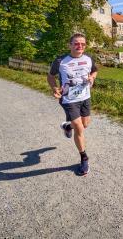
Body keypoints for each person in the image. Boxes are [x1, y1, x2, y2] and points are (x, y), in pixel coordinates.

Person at [47, 33, 98, 177]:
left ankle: (67, 126)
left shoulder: (88, 59)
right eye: (76, 43)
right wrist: (54, 88)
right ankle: (84, 158)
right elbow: (50, 77)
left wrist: (92, 78)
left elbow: (94, 71)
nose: (80, 46)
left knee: (85, 124)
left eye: (83, 44)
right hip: (69, 100)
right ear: (70, 45)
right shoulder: (60, 61)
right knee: (80, 128)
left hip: (85, 97)